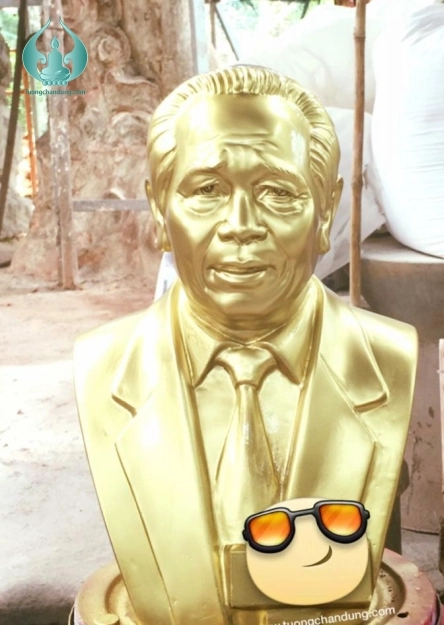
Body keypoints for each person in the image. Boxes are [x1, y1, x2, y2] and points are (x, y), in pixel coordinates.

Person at [74, 65, 417, 625]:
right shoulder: (103, 367)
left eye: (278, 192)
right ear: (159, 209)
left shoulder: (388, 359)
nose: (240, 225)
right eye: (206, 190)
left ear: (325, 211)